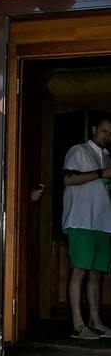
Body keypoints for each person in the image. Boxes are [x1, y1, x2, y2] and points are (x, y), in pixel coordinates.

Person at [61, 114, 111, 340]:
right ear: (93, 129)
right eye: (104, 131)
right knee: (79, 270)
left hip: (103, 223)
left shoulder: (108, 157)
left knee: (96, 274)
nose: (107, 136)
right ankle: (78, 324)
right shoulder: (79, 151)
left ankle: (95, 321)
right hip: (80, 220)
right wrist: (101, 174)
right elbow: (68, 179)